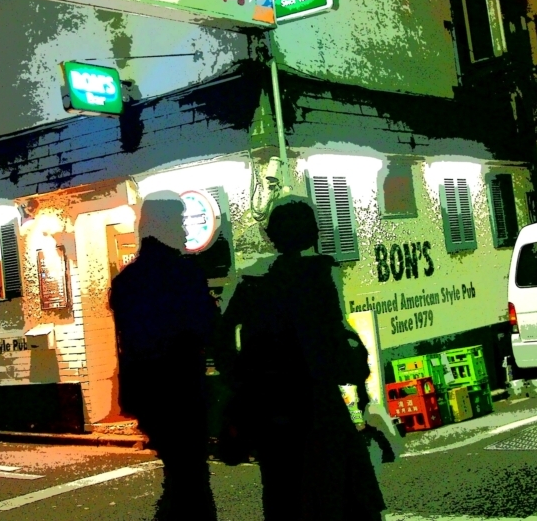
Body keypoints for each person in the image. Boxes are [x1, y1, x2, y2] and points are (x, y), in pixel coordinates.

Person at [218, 197, 387, 521]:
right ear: (312, 233)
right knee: (344, 497)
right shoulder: (317, 279)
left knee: (284, 498)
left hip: (271, 413)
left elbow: (223, 337)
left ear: (273, 236)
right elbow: (336, 349)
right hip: (318, 408)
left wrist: (242, 379)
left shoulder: (253, 286)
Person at [109, 191, 218, 521]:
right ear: (166, 225)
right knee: (191, 476)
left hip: (148, 394)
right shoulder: (184, 275)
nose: (185, 230)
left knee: (181, 473)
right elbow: (208, 328)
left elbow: (129, 339)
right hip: (183, 389)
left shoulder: (127, 281)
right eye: (180, 221)